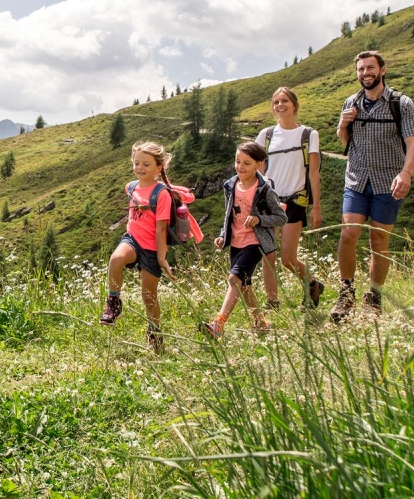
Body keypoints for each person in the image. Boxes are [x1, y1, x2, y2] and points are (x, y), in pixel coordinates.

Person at [330, 50, 414, 322]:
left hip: (388, 182)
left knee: (378, 241)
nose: (365, 73)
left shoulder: (401, 103)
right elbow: (344, 140)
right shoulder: (351, 101)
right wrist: (342, 124)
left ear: (382, 70)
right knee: (348, 235)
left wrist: (405, 174)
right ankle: (346, 296)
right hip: (357, 179)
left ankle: (374, 299)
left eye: (370, 68)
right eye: (361, 69)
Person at [100, 141, 201, 350]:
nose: (140, 168)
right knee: (116, 259)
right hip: (132, 240)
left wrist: (162, 258)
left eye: (146, 164)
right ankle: (114, 302)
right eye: (137, 163)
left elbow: (161, 229)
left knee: (149, 296)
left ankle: (154, 333)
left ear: (159, 168)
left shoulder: (161, 193)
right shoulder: (131, 187)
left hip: (152, 248)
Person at [201, 142, 287, 339]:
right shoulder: (230, 185)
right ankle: (261, 323)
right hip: (236, 242)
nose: (240, 167)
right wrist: (223, 235)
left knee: (234, 279)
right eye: (238, 161)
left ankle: (218, 324)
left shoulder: (264, 189)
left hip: (255, 242)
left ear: (259, 164)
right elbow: (228, 214)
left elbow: (281, 217)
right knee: (245, 285)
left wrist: (259, 220)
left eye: (247, 163)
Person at [255, 87, 325, 310]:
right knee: (267, 255)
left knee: (287, 259)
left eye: (284, 101)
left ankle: (313, 284)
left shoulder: (308, 134)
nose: (280, 105)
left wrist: (316, 207)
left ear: (294, 105)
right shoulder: (266, 136)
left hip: (294, 202)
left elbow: (314, 172)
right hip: (268, 202)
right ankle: (272, 302)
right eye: (276, 102)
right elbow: (256, 170)